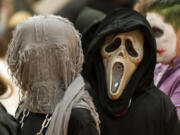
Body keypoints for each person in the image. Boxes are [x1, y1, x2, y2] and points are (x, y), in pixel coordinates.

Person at [83, 8, 180, 135]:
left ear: (143, 58)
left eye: (131, 48)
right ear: (100, 49)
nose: (121, 53)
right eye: (113, 45)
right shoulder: (83, 104)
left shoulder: (160, 108)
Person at [7, 15, 100, 135]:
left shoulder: (77, 117)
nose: (36, 67)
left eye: (44, 57)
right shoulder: (24, 109)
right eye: (30, 57)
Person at [146, 0, 180, 119]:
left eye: (157, 32)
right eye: (147, 32)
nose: (149, 40)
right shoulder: (157, 66)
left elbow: (172, 126)